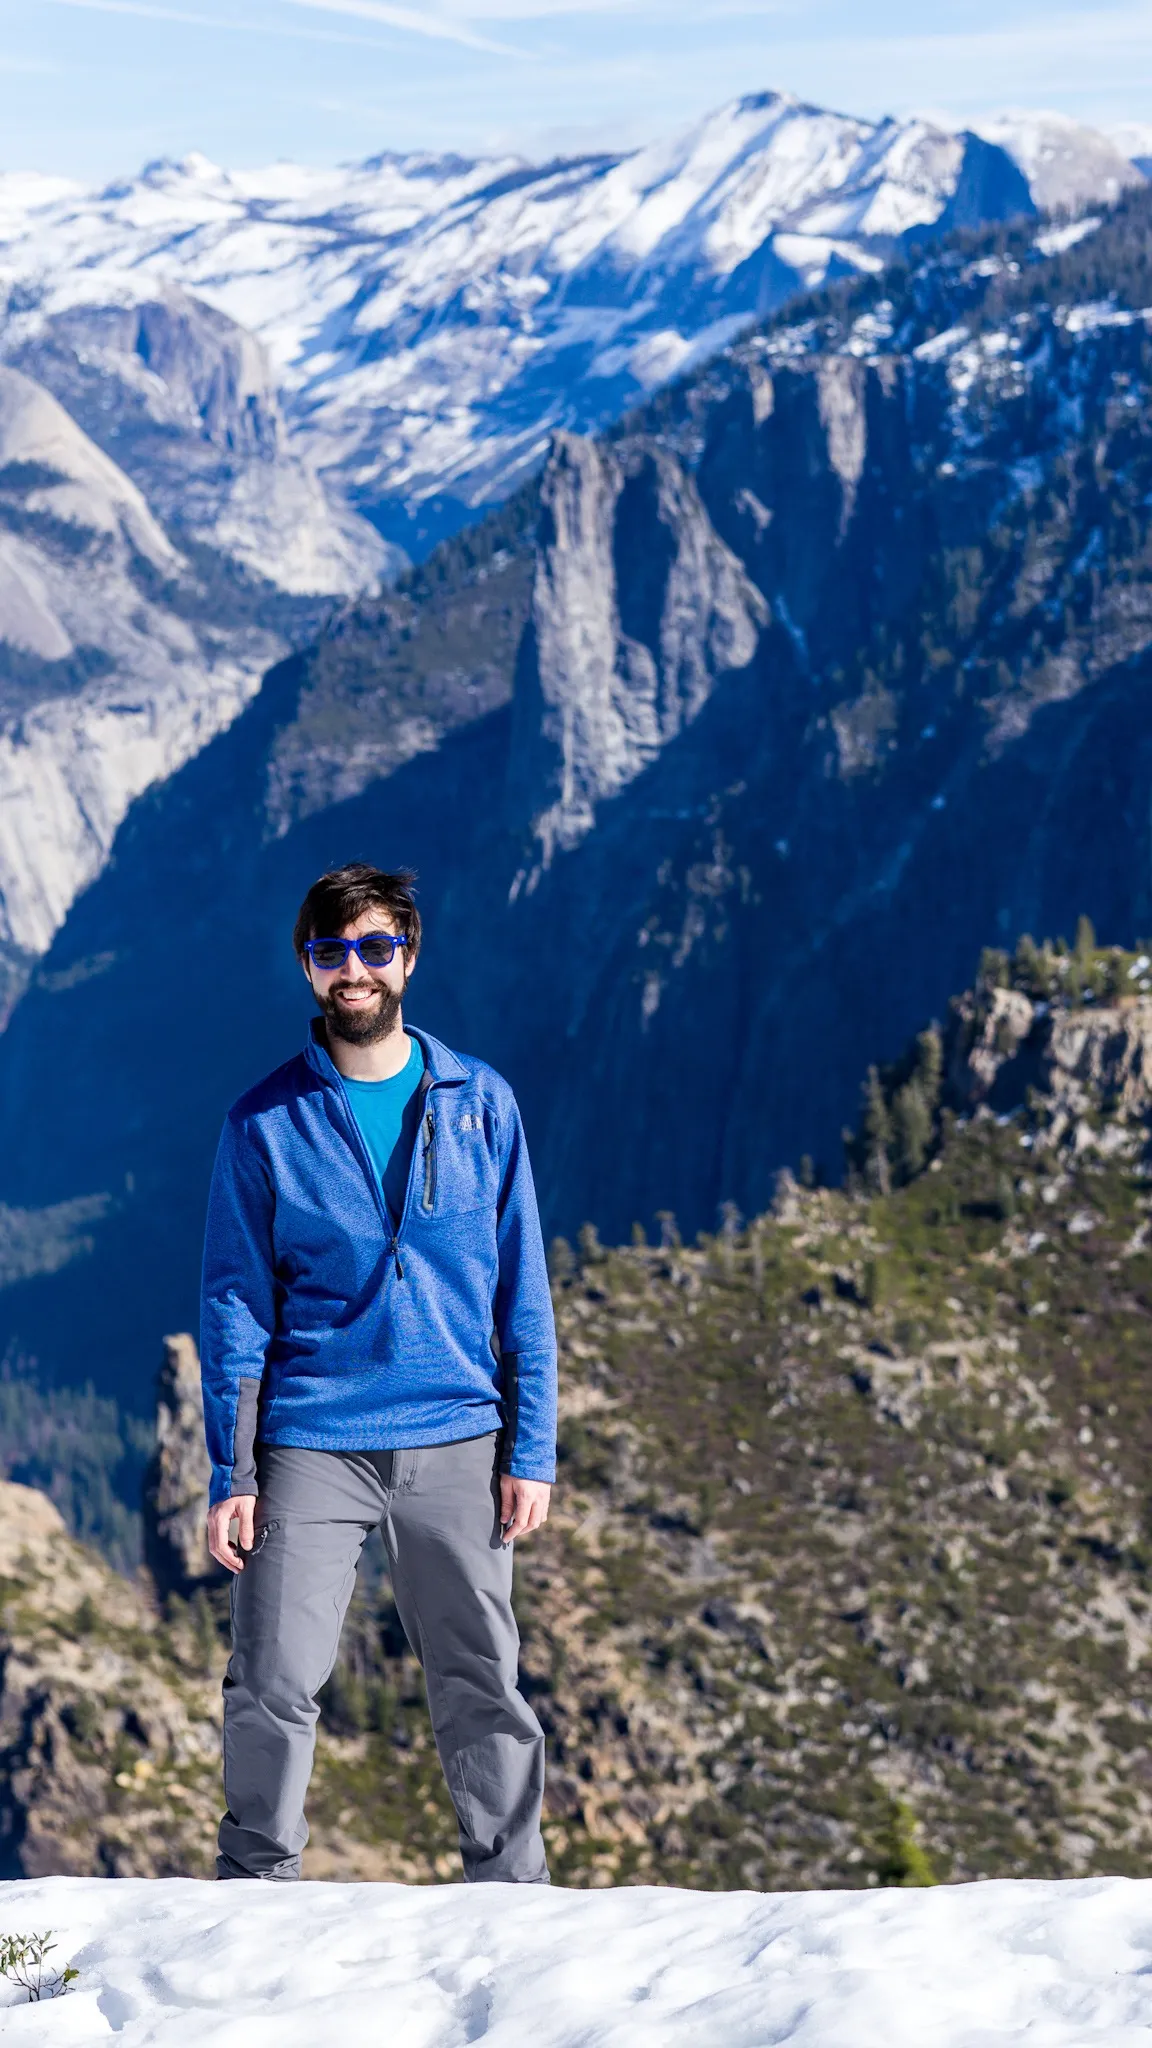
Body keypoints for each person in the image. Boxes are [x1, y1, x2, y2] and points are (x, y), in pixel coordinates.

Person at [199, 862, 557, 1882]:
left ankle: (513, 1894)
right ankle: (254, 1890)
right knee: (271, 1676)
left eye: (374, 946)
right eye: (331, 949)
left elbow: (522, 1285)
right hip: (312, 1438)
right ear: (307, 967)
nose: (354, 968)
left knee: (480, 1679)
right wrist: (234, 1469)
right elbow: (234, 1303)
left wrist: (530, 1445)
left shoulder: (481, 1101)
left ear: (409, 954)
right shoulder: (261, 1122)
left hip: (459, 1433)